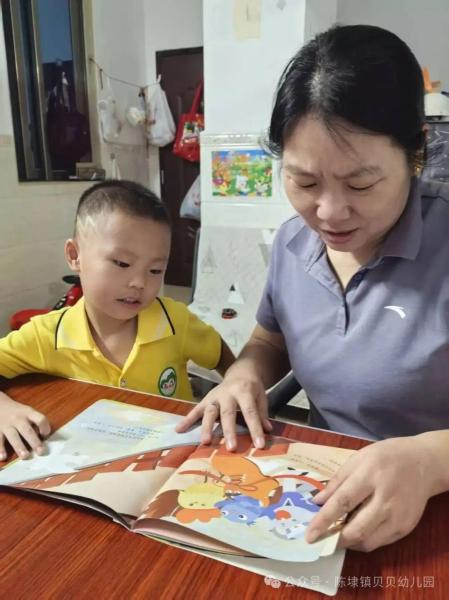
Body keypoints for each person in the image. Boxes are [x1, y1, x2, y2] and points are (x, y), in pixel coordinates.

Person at [177, 25, 449, 552]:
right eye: (304, 182)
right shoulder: (292, 244)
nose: (328, 213)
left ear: (416, 151)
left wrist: (431, 461)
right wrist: (243, 375)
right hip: (318, 501)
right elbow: (269, 340)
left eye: (360, 184)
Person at [0, 179, 234, 460]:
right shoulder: (47, 335)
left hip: (173, 456)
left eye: (155, 270)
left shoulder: (175, 321)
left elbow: (221, 355)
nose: (139, 282)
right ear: (75, 256)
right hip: (91, 460)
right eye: (122, 264)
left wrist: (233, 388)